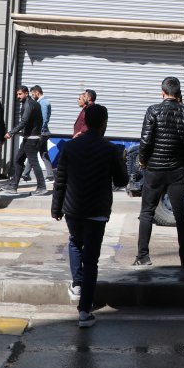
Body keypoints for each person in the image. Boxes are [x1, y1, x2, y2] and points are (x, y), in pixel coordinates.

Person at [52, 104, 128, 327]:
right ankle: (84, 311)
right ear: (104, 123)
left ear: (84, 121)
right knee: (92, 259)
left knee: (75, 243)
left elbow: (60, 181)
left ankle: (77, 284)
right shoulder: (109, 149)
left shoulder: (70, 147)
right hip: (97, 211)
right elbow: (122, 181)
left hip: (72, 209)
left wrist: (56, 208)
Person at [134, 77, 184, 267]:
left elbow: (146, 141)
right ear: (179, 93)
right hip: (177, 172)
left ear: (162, 92)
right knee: (181, 215)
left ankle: (143, 256)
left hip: (154, 170)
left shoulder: (153, 111)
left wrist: (143, 160)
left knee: (147, 212)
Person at [2, 86, 47, 196]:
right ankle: (14, 186)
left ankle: (42, 187)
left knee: (33, 162)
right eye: (17, 94)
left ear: (26, 93)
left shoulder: (28, 104)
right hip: (29, 137)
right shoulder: (33, 103)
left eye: (20, 94)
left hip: (32, 138)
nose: (18, 97)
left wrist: (11, 132)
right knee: (18, 160)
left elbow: (24, 121)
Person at [21, 85, 55, 183]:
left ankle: (25, 174)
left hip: (41, 133)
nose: (32, 96)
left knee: (32, 152)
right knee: (43, 153)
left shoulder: (43, 103)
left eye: (32, 93)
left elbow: (43, 119)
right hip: (43, 132)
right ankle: (50, 175)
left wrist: (39, 131)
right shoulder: (42, 102)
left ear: (37, 92)